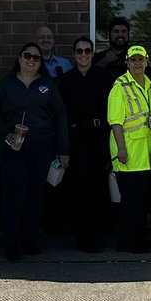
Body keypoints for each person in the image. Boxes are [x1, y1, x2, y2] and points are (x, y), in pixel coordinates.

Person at [0, 42, 70, 261]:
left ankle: (29, 238)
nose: (31, 60)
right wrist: (5, 133)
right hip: (13, 148)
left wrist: (63, 148)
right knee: (14, 194)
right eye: (27, 56)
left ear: (41, 63)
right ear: (19, 58)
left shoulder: (47, 85)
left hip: (41, 147)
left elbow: (60, 115)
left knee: (35, 194)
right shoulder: (6, 84)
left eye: (36, 57)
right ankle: (11, 241)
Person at [57, 36, 115, 252]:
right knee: (78, 187)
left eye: (87, 51)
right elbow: (60, 114)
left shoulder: (104, 77)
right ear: (73, 54)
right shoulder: (66, 80)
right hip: (75, 138)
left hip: (99, 137)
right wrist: (63, 146)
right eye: (79, 51)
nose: (83, 55)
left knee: (98, 186)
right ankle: (81, 235)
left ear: (92, 53)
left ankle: (97, 234)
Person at [108, 44, 151, 253]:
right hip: (127, 153)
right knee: (131, 202)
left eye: (140, 60)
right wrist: (121, 149)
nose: (137, 63)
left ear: (146, 62)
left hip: (146, 153)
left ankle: (138, 239)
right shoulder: (120, 86)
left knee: (143, 202)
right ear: (127, 63)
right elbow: (116, 122)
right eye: (133, 60)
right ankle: (128, 243)